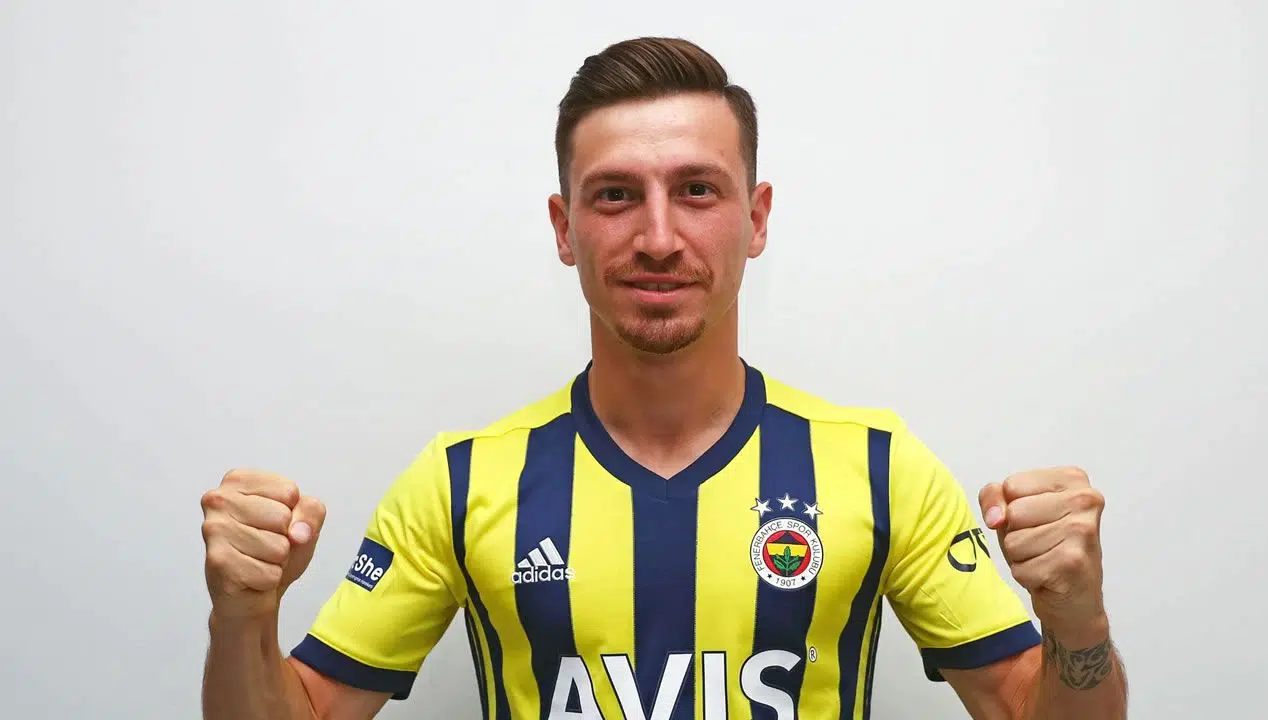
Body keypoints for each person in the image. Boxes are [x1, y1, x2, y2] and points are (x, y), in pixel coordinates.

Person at [199, 36, 1128, 720]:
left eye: (696, 190)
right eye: (616, 195)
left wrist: (1078, 620)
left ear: (755, 218)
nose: (656, 237)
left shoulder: (879, 469)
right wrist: (245, 617)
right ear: (564, 228)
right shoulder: (463, 480)